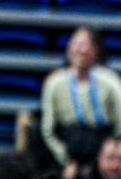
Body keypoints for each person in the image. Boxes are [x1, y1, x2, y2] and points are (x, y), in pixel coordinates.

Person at [40, 26, 121, 178]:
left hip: (102, 145)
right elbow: (48, 131)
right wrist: (65, 161)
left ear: (96, 51)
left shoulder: (111, 82)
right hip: (67, 148)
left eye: (88, 45)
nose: (82, 50)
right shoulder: (54, 82)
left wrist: (112, 153)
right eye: (77, 44)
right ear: (68, 49)